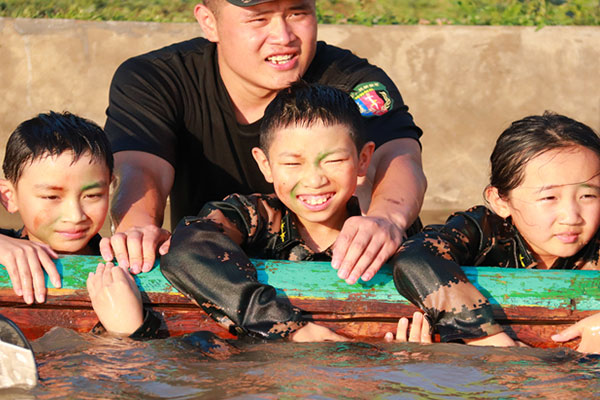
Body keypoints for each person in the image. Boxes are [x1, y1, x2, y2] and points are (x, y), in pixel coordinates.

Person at [101, 0, 426, 285]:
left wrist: (386, 218)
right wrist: (138, 230)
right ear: (208, 22)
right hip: (211, 268)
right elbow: (142, 170)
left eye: (298, 12)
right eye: (258, 18)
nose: (284, 37)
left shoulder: (352, 83)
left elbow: (396, 157)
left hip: (346, 272)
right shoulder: (155, 80)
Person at [157, 82, 421, 341]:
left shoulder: (385, 234)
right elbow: (187, 248)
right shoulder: (255, 217)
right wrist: (288, 328)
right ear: (265, 164)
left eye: (334, 161)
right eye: (293, 163)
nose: (315, 180)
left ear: (363, 159)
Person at [392, 112, 600, 354]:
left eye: (588, 196)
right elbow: (415, 256)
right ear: (500, 201)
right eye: (549, 197)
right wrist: (485, 337)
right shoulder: (484, 233)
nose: (571, 216)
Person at [0, 112, 112, 305]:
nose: (75, 216)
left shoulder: (122, 260)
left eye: (92, 195)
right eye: (51, 197)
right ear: (9, 197)